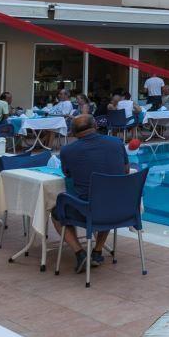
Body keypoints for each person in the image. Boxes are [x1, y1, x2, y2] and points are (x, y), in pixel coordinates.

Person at [53, 114, 129, 274]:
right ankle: (97, 251)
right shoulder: (116, 143)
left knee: (57, 211)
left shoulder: (67, 151)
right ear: (95, 126)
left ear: (73, 133)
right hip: (119, 208)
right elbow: (126, 171)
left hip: (88, 210)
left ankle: (80, 253)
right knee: (108, 198)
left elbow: (68, 174)